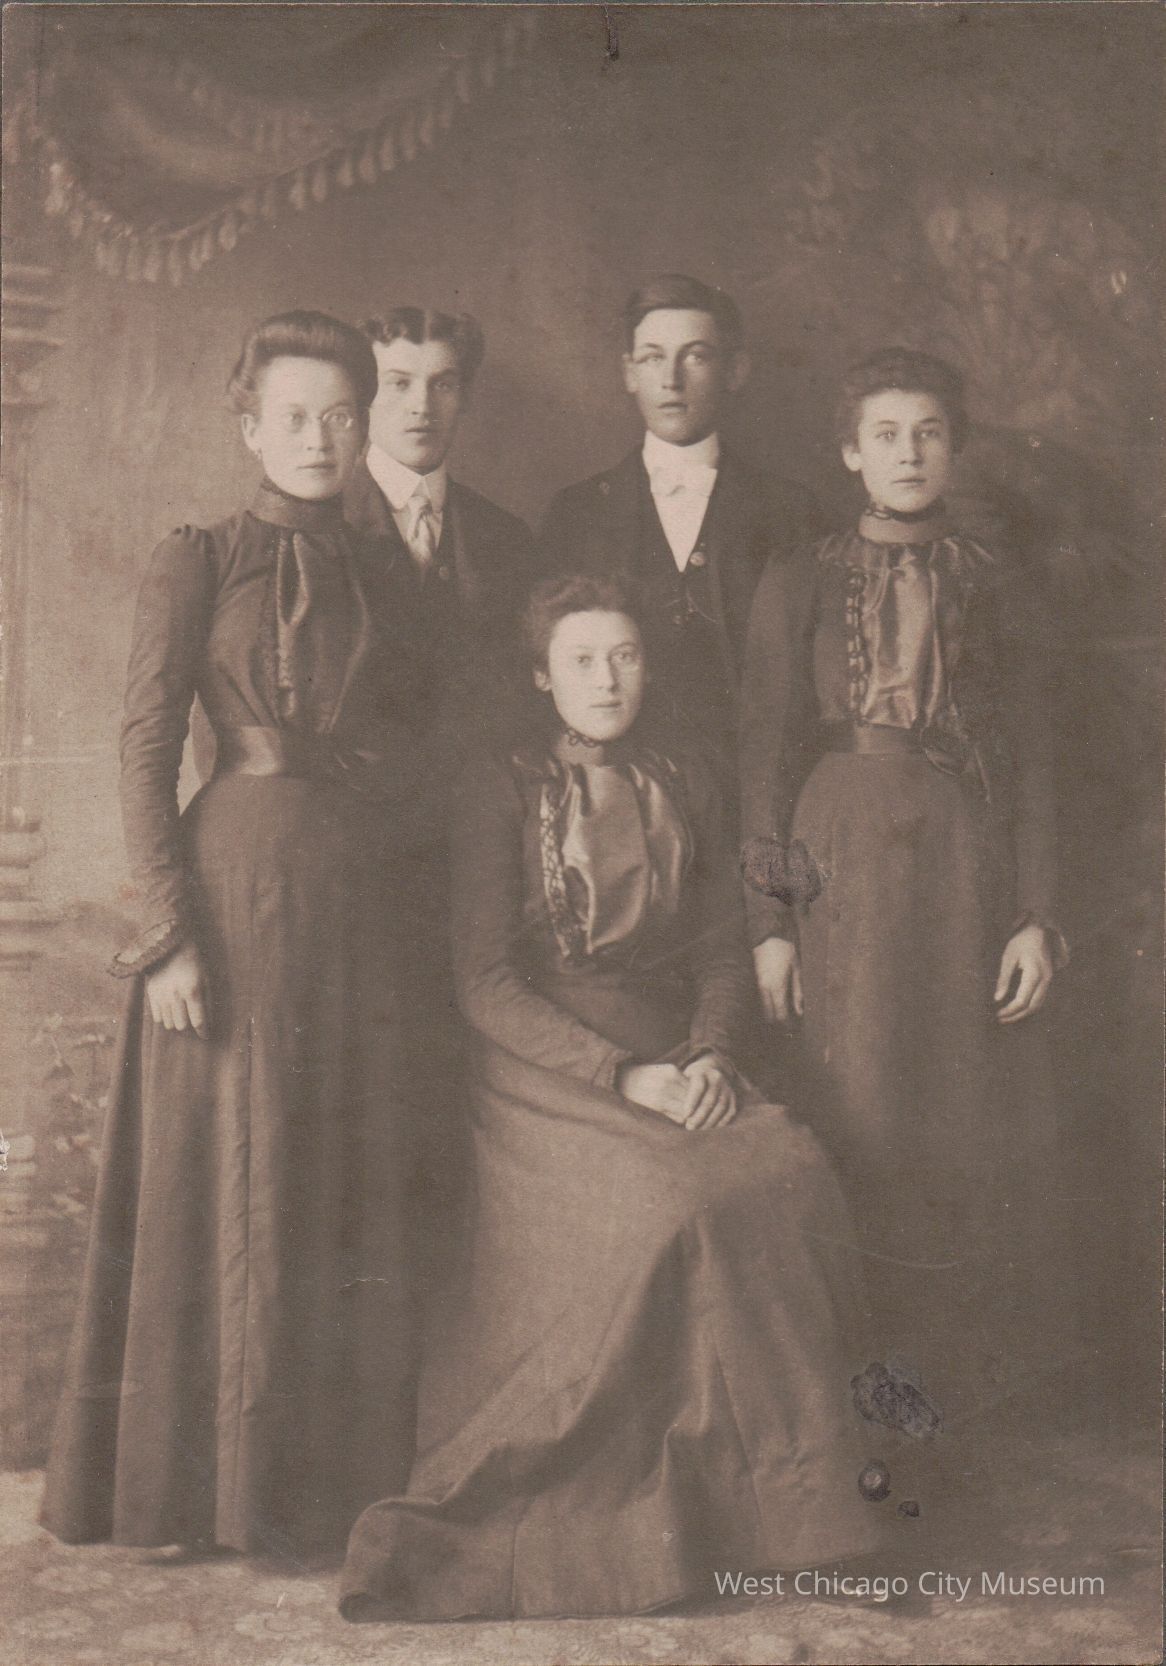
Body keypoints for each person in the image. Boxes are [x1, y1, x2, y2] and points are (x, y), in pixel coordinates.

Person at [339, 574, 882, 1622]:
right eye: (582, 660)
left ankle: (810, 1516)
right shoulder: (500, 787)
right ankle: (709, 1514)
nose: (607, 680)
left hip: (672, 1043)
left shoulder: (686, 774)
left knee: (791, 1169)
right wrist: (619, 1075)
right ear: (542, 677)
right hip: (543, 1071)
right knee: (681, 1207)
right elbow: (483, 983)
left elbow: (719, 947)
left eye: (625, 656)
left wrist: (711, 1054)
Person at [42, 312, 420, 1557]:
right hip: (229, 894)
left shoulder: (389, 574)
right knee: (228, 1176)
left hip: (355, 909)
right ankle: (194, 1496)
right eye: (293, 415)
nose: (319, 438)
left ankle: (313, 1488)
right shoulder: (198, 558)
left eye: (341, 415)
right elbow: (145, 745)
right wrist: (166, 934)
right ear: (249, 426)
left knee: (331, 1176)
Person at [739, 348, 1071, 1436]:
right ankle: (855, 1418)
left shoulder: (997, 582)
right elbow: (762, 760)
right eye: (885, 434)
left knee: (955, 1124)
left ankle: (949, 1417)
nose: (909, 453)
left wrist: (1034, 915)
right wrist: (770, 922)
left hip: (959, 863)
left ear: (954, 447)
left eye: (928, 432)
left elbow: (1033, 760)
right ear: (849, 452)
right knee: (857, 1116)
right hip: (835, 855)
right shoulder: (798, 577)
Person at [344, 306, 542, 1253]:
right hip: (358, 870)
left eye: (443, 383)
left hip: (474, 870)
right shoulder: (320, 527)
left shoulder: (507, 540)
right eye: (397, 382)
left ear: (465, 395)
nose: (421, 405)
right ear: (363, 395)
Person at [540, 274, 819, 763]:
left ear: (735, 370)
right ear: (629, 372)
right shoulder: (576, 513)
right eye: (653, 357)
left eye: (695, 356)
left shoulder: (792, 512)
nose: (671, 379)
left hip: (751, 778)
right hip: (621, 780)